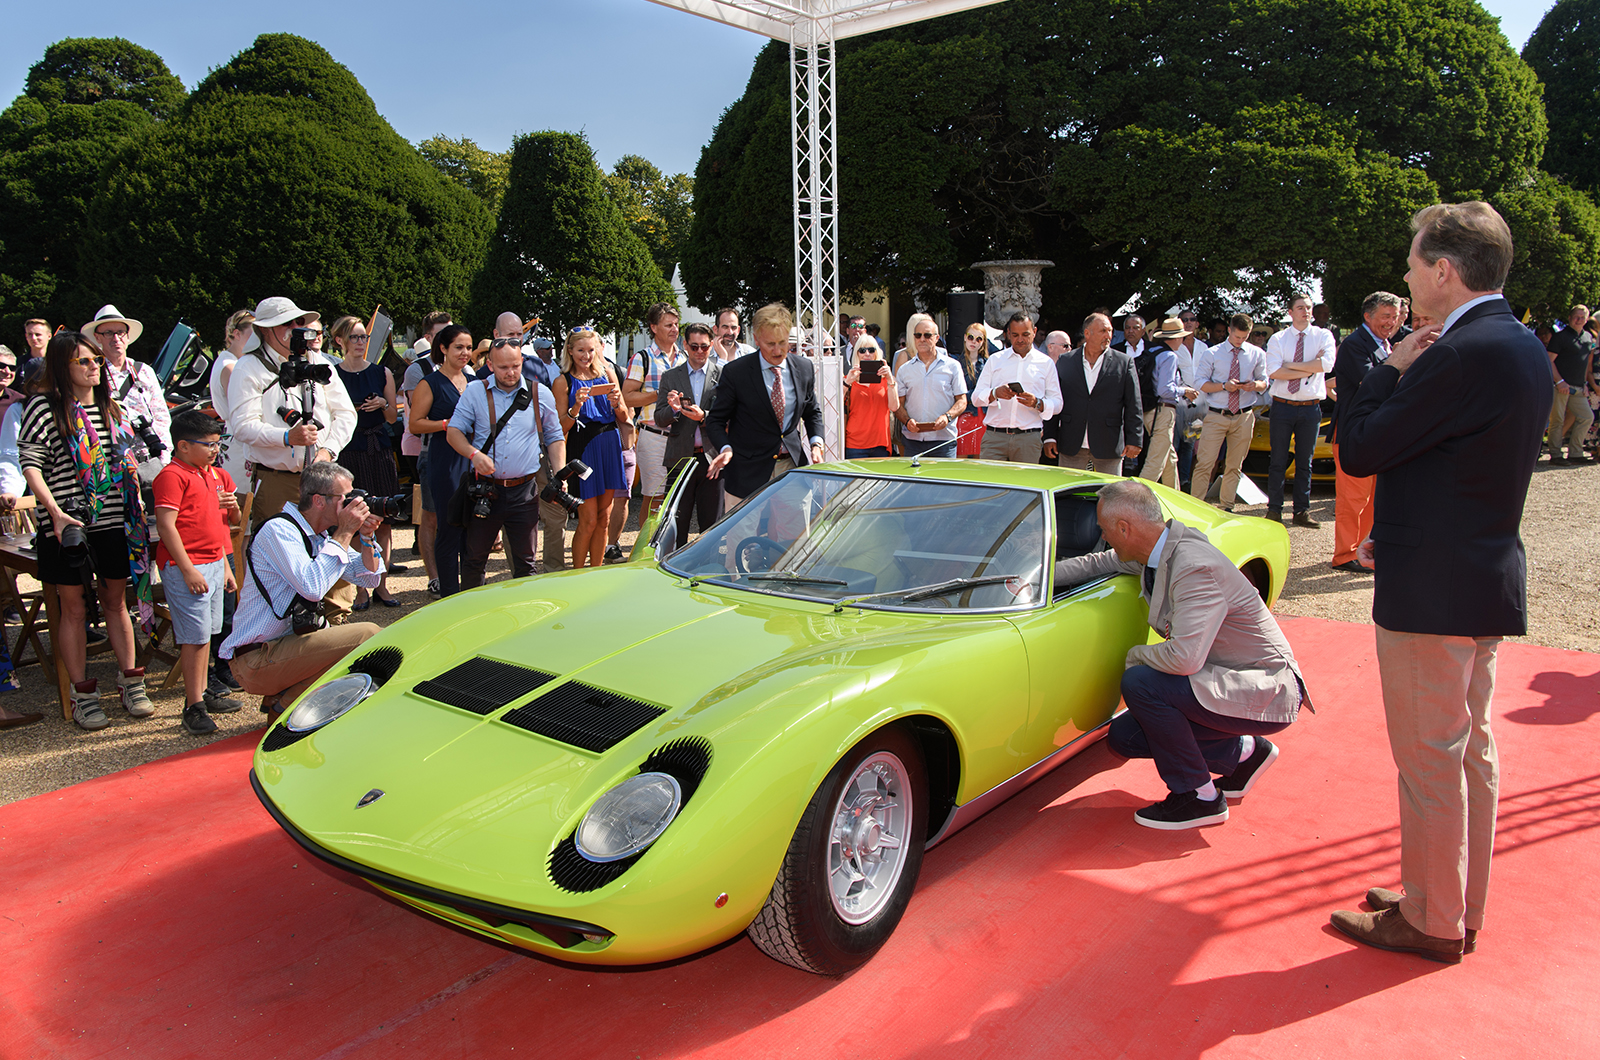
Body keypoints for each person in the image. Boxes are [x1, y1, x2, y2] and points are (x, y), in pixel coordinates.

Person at [1331, 201, 1551, 964]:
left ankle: (1429, 918)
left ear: (1444, 271)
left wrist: (1388, 369)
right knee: (1467, 755)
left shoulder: (1454, 354)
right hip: (1477, 573)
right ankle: (1452, 899)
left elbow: (1358, 448)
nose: (1406, 273)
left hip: (1434, 590)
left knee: (1431, 760)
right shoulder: (1517, 343)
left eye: (1414, 260)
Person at [1053, 480, 1308, 829]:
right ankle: (1246, 753)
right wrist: (1034, 580)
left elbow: (1185, 658)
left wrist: (1135, 655)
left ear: (1125, 528)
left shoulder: (1192, 565)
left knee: (1141, 682)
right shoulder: (1155, 550)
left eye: (1105, 529)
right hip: (1219, 678)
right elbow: (1098, 562)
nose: (1104, 535)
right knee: (1125, 737)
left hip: (1263, 688)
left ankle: (1199, 797)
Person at [19, 331, 155, 730]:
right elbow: (31, 462)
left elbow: (128, 457)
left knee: (116, 601)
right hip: (66, 524)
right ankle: (83, 694)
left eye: (96, 359)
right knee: (73, 607)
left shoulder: (111, 409)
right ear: (64, 366)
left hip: (114, 519)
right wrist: (55, 513)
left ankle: (131, 683)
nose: (95, 366)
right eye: (85, 361)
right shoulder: (44, 407)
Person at [220, 461, 382, 715]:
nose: (354, 505)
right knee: (368, 636)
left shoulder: (322, 537)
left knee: (371, 647)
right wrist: (344, 532)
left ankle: (284, 698)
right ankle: (285, 706)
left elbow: (370, 579)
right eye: (346, 498)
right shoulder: (280, 531)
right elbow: (312, 588)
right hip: (255, 658)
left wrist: (366, 537)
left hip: (287, 646)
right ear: (319, 501)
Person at [152, 411, 245, 736]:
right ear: (183, 446)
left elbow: (214, 526)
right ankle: (193, 705)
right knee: (195, 637)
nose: (214, 451)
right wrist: (189, 568)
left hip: (211, 563)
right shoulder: (172, 475)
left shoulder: (209, 474)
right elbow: (167, 525)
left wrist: (222, 565)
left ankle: (202, 690)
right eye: (207, 445)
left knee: (207, 633)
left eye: (216, 444)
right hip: (186, 565)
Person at [448, 337, 566, 586]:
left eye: (515, 365)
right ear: (490, 365)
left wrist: (559, 473)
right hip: (485, 491)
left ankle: (523, 619)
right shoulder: (475, 391)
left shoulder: (539, 392)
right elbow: (454, 431)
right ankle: (472, 617)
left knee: (526, 562)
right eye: (503, 367)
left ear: (522, 361)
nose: (510, 372)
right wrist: (474, 454)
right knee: (474, 560)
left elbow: (555, 436)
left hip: (524, 491)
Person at [704, 303, 824, 504]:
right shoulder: (736, 372)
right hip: (746, 472)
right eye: (770, 344)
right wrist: (725, 448)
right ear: (757, 339)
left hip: (791, 469)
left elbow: (812, 412)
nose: (778, 350)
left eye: (783, 342)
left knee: (795, 534)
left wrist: (816, 444)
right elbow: (715, 420)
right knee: (743, 535)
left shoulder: (804, 368)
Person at [329, 315, 403, 609]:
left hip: (379, 450)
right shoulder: (332, 375)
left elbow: (392, 418)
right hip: (350, 452)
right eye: (355, 337)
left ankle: (382, 586)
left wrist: (383, 404)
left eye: (364, 337)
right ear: (340, 341)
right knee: (355, 520)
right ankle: (361, 588)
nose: (360, 343)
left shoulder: (382, 372)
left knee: (383, 521)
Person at [1330, 291, 1402, 573]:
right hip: (1353, 433)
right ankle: (1344, 555)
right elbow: (1370, 381)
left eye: (1394, 317)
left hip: (1377, 432)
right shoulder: (1354, 345)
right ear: (1368, 316)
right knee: (1352, 499)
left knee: (1374, 498)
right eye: (1385, 316)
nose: (1391, 322)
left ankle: (1366, 550)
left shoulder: (1386, 343)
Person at [494, 316, 568, 574]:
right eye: (509, 334)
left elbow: (552, 427)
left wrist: (559, 471)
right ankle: (520, 578)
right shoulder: (483, 374)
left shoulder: (536, 365)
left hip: (539, 456)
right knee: (512, 522)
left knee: (556, 515)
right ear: (495, 334)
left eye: (519, 333)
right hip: (504, 463)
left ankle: (553, 574)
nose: (516, 338)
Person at [407, 325, 474, 595]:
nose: (465, 353)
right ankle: (448, 591)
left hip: (471, 459)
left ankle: (471, 589)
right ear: (443, 349)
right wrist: (446, 424)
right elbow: (415, 424)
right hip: (444, 460)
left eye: (468, 348)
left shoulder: (472, 382)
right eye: (459, 347)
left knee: (471, 529)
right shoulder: (429, 383)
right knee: (447, 526)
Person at [553, 328, 628, 567]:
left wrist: (616, 403)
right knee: (587, 520)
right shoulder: (562, 381)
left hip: (609, 444)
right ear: (570, 351)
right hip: (583, 449)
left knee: (604, 518)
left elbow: (624, 415)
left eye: (590, 350)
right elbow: (560, 427)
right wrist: (576, 407)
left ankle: (596, 573)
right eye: (581, 350)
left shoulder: (608, 374)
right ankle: (577, 575)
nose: (586, 355)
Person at [1263, 295, 1337, 527]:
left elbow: (1326, 365)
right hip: (1283, 407)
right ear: (1290, 311)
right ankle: (1274, 509)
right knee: (1278, 460)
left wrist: (1291, 366)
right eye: (1300, 308)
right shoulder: (1278, 338)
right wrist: (1309, 369)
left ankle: (1301, 511)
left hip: (1310, 408)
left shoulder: (1323, 335)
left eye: (1308, 307)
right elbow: (1274, 372)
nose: (1305, 311)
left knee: (1305, 461)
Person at [622, 303, 686, 556]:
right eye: (668, 324)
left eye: (676, 324)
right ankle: (646, 550)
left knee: (676, 497)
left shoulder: (684, 357)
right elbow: (627, 397)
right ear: (653, 327)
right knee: (654, 496)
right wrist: (658, 395)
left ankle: (668, 549)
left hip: (682, 435)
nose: (674, 329)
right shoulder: (642, 358)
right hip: (653, 435)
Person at [1044, 312, 1141, 473]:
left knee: (1110, 495)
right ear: (1087, 333)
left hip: (1108, 444)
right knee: (1068, 494)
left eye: (1110, 331)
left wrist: (1134, 440)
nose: (1108, 335)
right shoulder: (1066, 361)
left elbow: (1133, 403)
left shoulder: (1124, 362)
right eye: (1103, 331)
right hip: (1071, 442)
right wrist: (1050, 436)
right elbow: (1055, 399)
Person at [399, 311, 453, 596]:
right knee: (430, 517)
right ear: (429, 338)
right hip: (430, 452)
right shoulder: (418, 371)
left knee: (457, 516)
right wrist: (449, 423)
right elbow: (417, 420)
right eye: (443, 333)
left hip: (462, 456)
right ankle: (434, 577)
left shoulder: (465, 371)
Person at [656, 323, 724, 545]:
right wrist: (674, 409)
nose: (699, 352)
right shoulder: (670, 376)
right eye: (694, 346)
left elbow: (730, 415)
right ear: (684, 345)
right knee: (676, 522)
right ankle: (674, 570)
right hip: (680, 457)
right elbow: (659, 418)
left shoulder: (723, 375)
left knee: (712, 523)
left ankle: (709, 569)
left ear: (711, 345)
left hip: (712, 458)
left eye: (704, 347)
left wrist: (704, 416)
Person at [1190, 314, 1267, 511]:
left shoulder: (1257, 353)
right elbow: (1200, 383)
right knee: (1205, 463)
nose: (1240, 341)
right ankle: (1196, 506)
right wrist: (1224, 386)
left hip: (1244, 415)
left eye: (1244, 337)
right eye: (1237, 336)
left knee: (1235, 465)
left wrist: (1254, 385)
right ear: (1229, 331)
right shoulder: (1212, 353)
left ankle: (1227, 507)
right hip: (1217, 414)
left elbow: (1265, 382)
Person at [84, 305, 171, 467]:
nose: (116, 338)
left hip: (150, 455)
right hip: (112, 459)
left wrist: (164, 455)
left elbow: (161, 416)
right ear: (97, 338)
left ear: (128, 336)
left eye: (120, 333)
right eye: (108, 333)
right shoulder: (93, 372)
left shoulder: (144, 371)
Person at [972, 313, 1064, 463]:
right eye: (1015, 335)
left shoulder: (1046, 363)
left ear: (1034, 332)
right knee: (991, 484)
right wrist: (995, 393)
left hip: (1028, 438)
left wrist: (1037, 403)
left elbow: (1058, 403)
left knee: (1024, 485)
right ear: (1008, 334)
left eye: (1025, 334)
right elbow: (976, 398)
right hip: (995, 437)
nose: (1020, 339)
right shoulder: (995, 360)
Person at [894, 314, 965, 458]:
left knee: (943, 481)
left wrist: (947, 417)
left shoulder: (952, 366)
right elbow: (897, 405)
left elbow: (962, 400)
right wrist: (907, 421)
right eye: (918, 335)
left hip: (944, 441)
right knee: (912, 481)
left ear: (937, 338)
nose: (922, 339)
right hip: (912, 441)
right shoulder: (904, 370)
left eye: (927, 335)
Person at [1139, 317, 1198, 488]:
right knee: (1156, 461)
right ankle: (1135, 499)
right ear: (1178, 337)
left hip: (1150, 410)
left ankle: (1174, 495)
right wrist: (1184, 391)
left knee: (1169, 457)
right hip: (1163, 411)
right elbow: (1165, 390)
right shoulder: (1170, 356)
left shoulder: (1152, 351)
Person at [209, 309, 256, 487]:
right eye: (252, 334)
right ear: (236, 334)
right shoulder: (230, 367)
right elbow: (243, 409)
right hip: (239, 442)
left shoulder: (230, 361)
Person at [1546, 304, 1594, 465]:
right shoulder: (1560, 337)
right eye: (1576, 317)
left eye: (1582, 317)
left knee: (1587, 417)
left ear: (1587, 319)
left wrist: (1585, 383)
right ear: (1569, 318)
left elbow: (1586, 363)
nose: (1579, 320)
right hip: (1561, 387)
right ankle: (1555, 455)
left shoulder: (1588, 337)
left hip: (1579, 387)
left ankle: (1575, 452)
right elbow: (1549, 360)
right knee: (1557, 420)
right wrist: (1559, 381)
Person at [844, 334, 899, 458]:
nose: (867, 354)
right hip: (855, 444)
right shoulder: (848, 379)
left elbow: (894, 407)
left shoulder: (887, 380)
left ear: (877, 353)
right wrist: (847, 383)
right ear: (856, 354)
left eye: (871, 350)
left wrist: (890, 379)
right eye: (862, 350)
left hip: (880, 443)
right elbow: (835, 407)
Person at [955, 323, 991, 457]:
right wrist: (975, 395)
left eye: (978, 339)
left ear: (983, 342)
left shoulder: (988, 363)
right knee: (961, 455)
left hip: (983, 414)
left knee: (979, 456)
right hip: (964, 414)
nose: (974, 342)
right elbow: (958, 393)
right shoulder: (956, 363)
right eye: (970, 337)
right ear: (965, 338)